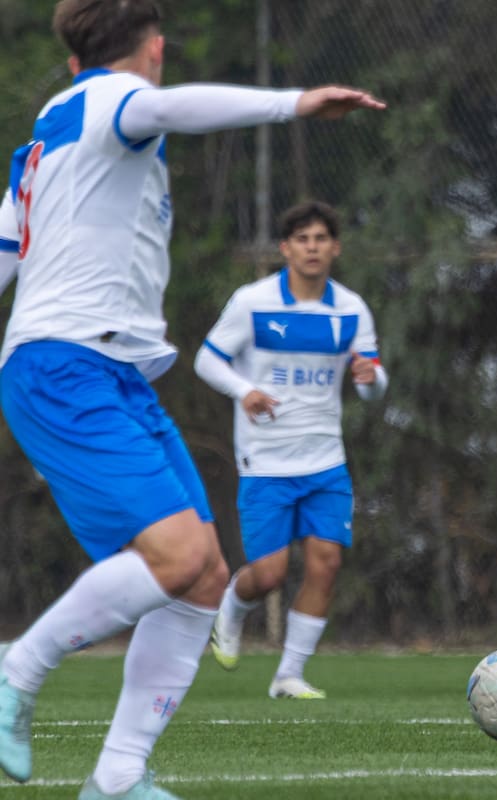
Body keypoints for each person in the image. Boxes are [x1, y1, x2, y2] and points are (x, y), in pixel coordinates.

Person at [0, 1, 384, 797]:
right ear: (155, 48)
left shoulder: (51, 129)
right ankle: (16, 671)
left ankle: (118, 778)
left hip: (106, 374)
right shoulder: (114, 100)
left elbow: (7, 243)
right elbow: (169, 108)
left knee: (205, 577)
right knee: (176, 559)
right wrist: (297, 102)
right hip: (66, 365)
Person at [196, 201, 387, 700]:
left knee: (326, 562)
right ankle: (233, 609)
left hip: (326, 460)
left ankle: (289, 676)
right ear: (286, 249)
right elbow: (207, 360)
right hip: (265, 460)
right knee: (270, 575)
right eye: (302, 239)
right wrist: (245, 392)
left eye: (321, 238)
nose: (312, 247)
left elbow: (372, 383)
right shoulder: (253, 302)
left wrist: (370, 378)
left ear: (335, 248)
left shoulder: (351, 309)